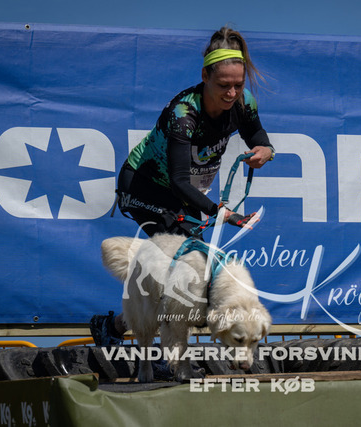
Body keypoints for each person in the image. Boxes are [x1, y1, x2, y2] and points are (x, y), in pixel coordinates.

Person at [90, 26, 275, 346]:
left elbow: (255, 134)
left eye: (238, 85)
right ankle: (165, 355)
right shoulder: (184, 113)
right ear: (205, 76)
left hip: (186, 193)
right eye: (223, 85)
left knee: (195, 278)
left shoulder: (243, 102)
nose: (232, 93)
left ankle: (114, 327)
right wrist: (222, 213)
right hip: (145, 188)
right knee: (183, 272)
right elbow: (177, 181)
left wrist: (266, 149)